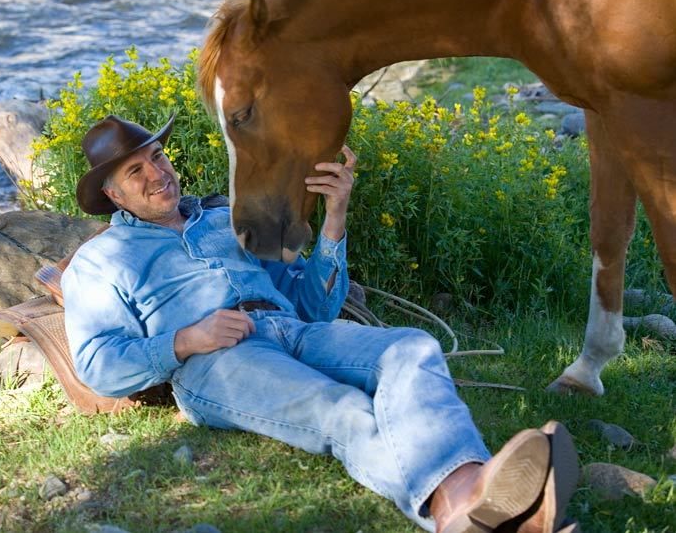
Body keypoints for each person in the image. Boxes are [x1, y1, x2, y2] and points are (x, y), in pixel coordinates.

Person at [61, 114, 579, 533]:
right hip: (219, 363)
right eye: (136, 172)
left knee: (413, 348)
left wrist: (335, 216)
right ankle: (467, 502)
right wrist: (186, 339)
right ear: (113, 196)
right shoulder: (100, 260)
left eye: (157, 156)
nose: (157, 173)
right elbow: (97, 363)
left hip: (296, 330)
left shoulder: (225, 218)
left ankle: (476, 509)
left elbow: (312, 306)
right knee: (343, 410)